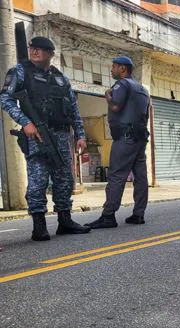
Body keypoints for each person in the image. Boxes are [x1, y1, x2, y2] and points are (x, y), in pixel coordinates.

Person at [0, 36, 90, 241]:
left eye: (40, 49)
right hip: (37, 135)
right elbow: (5, 98)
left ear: (50, 54)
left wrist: (81, 135)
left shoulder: (60, 78)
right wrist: (25, 122)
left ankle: (65, 221)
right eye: (32, 48)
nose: (34, 51)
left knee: (64, 179)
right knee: (38, 181)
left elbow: (74, 109)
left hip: (61, 135)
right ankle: (38, 225)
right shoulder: (20, 71)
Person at [86, 56, 150, 229]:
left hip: (125, 138)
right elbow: (146, 115)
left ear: (123, 69)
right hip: (139, 138)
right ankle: (138, 214)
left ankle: (108, 216)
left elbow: (115, 107)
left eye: (114, 67)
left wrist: (107, 94)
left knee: (116, 175)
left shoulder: (122, 84)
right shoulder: (143, 90)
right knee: (141, 176)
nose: (112, 70)